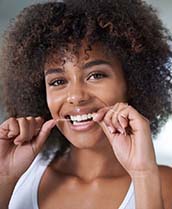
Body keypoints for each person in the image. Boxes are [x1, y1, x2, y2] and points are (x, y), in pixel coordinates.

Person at [0, 0, 172, 208]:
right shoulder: (19, 174)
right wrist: (4, 176)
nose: (76, 96)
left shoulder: (162, 183)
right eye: (58, 81)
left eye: (96, 75)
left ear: (132, 82)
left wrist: (143, 174)